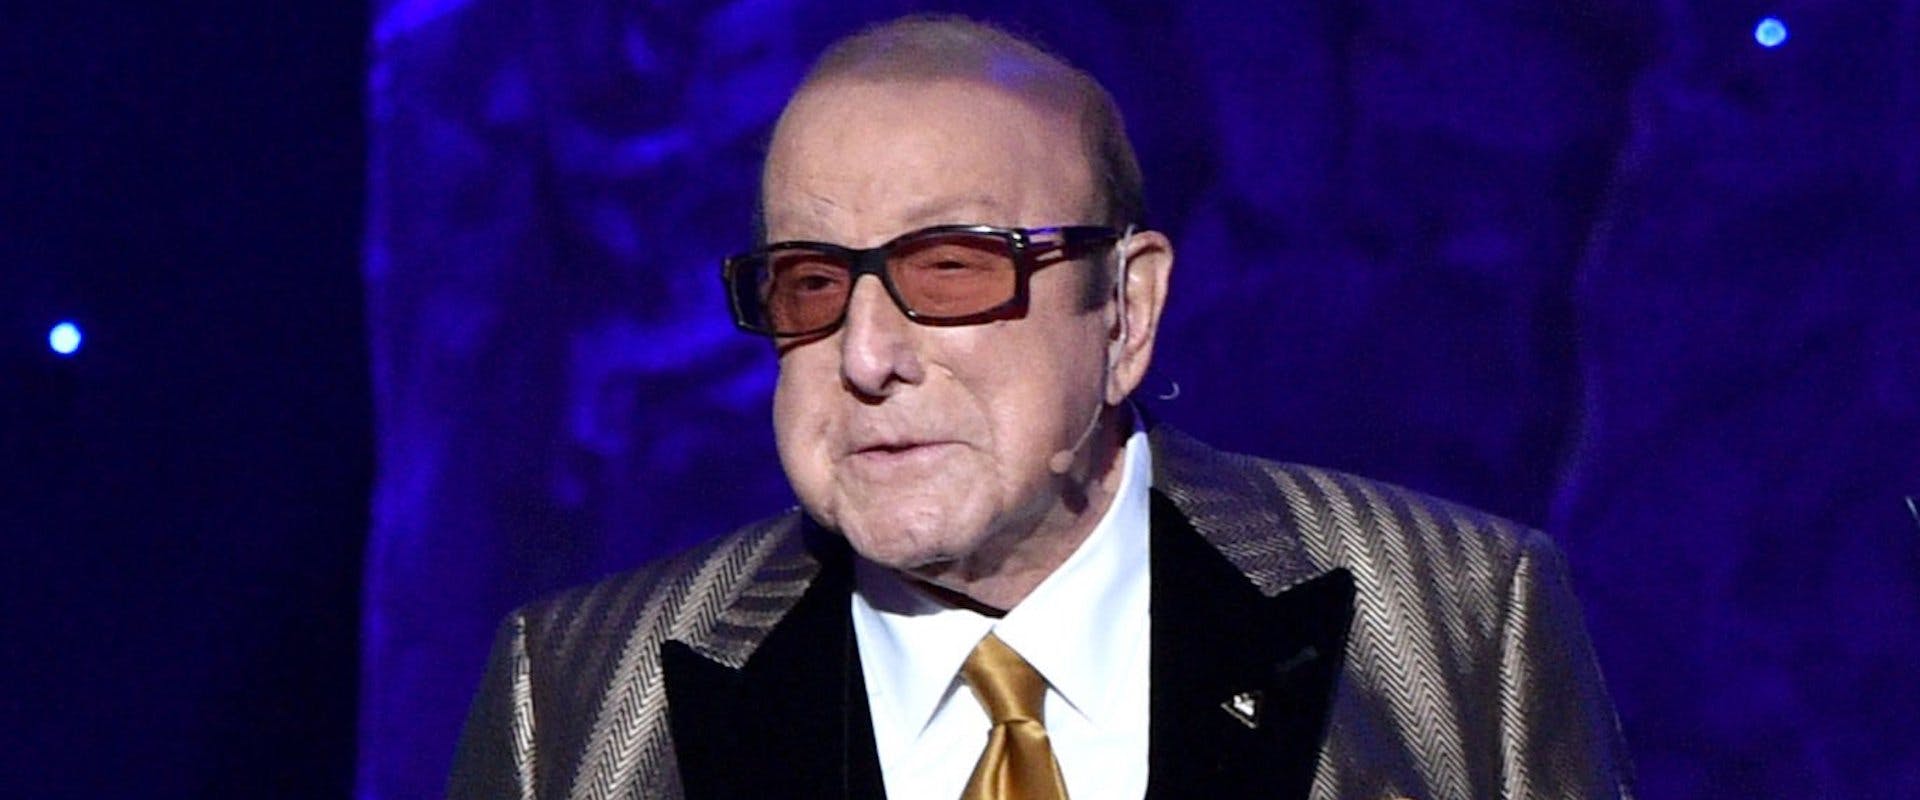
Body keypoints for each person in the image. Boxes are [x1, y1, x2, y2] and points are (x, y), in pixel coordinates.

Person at [449, 15, 1632, 800]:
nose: (866, 354)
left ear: (1126, 309)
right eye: (811, 282)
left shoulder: (1457, 623)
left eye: (950, 267)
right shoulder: (581, 700)